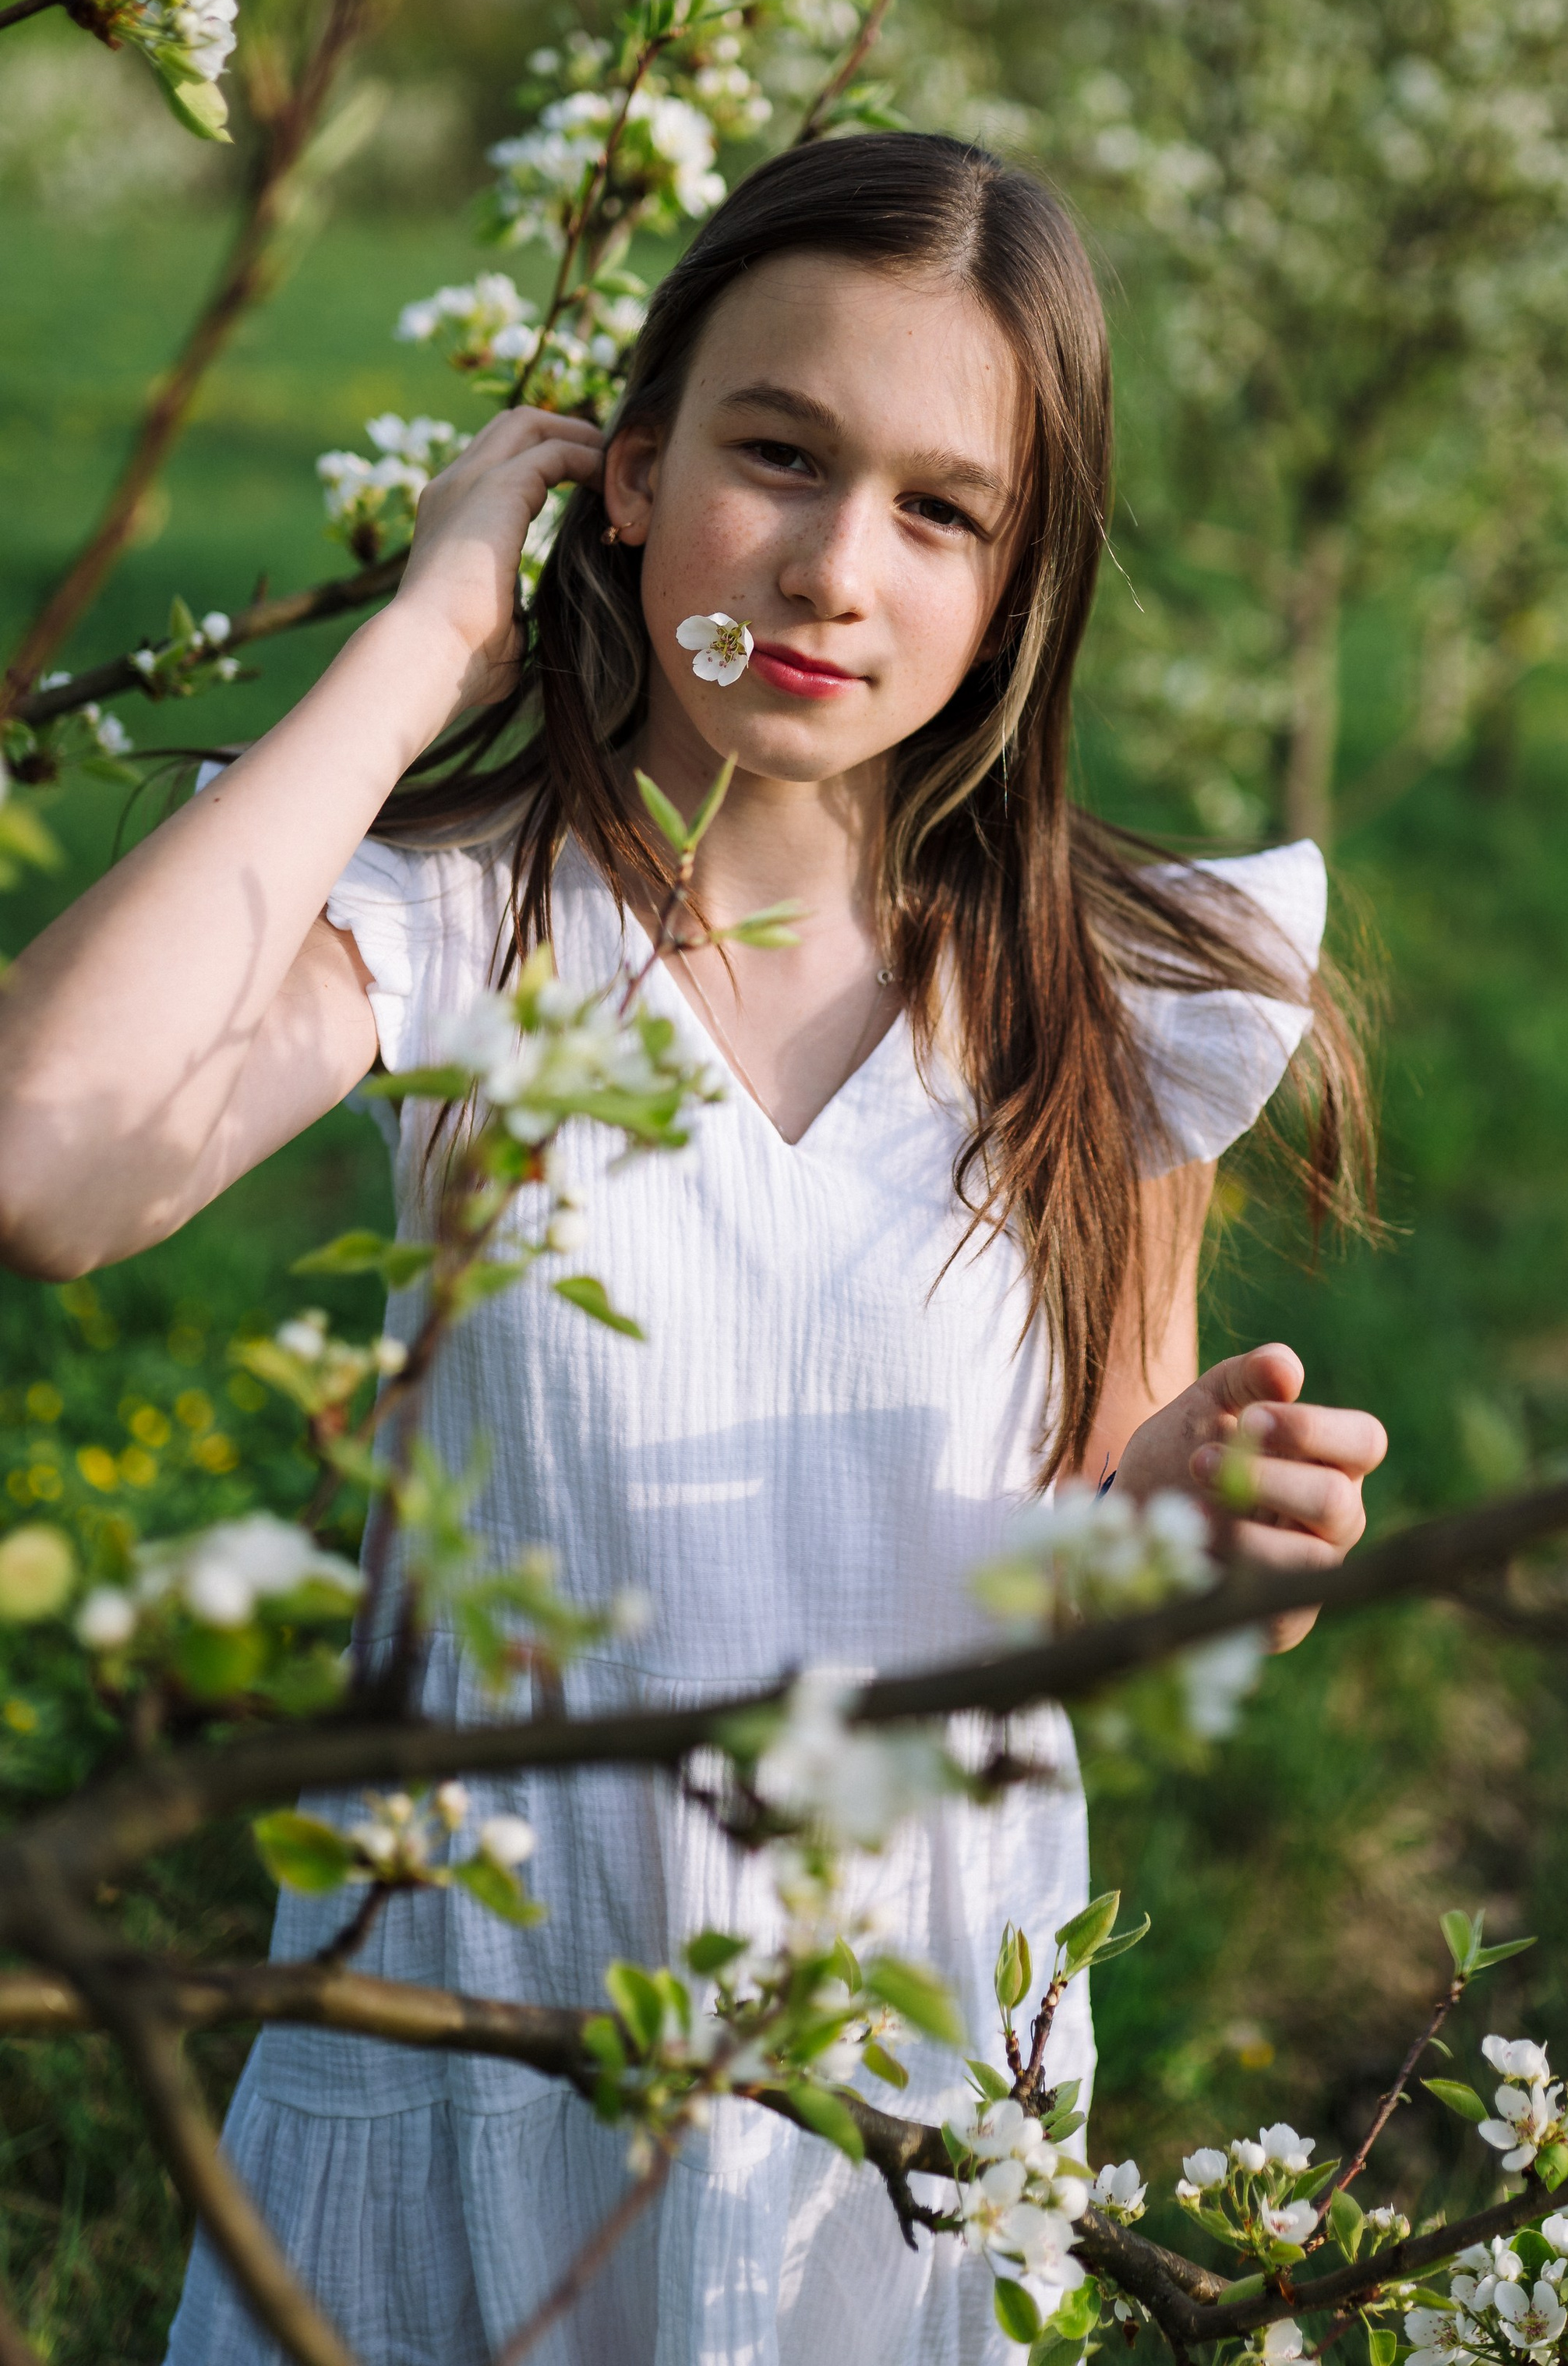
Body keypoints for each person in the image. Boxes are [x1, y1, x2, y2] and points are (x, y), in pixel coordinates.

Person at [0, 132, 1387, 2364]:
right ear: (628, 481)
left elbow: (1102, 1573)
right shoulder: (464, 921)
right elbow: (48, 1164)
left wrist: (1198, 1542)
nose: (841, 566)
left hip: (894, 2072)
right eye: (778, 455)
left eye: (945, 511)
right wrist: (432, 632)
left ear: (1018, 585)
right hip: (483, 2029)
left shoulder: (1107, 995)